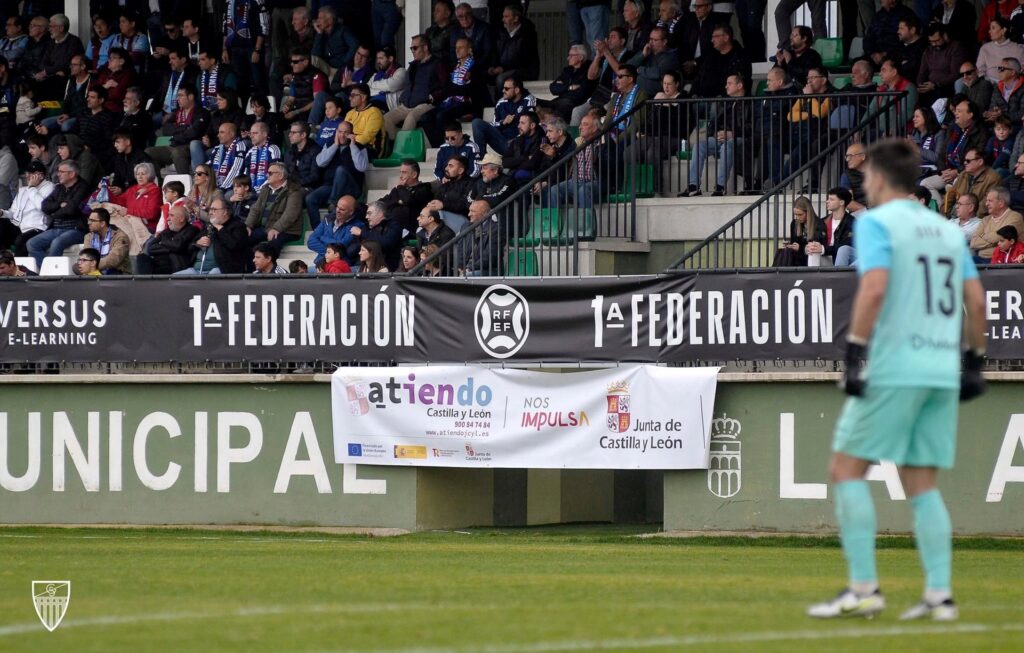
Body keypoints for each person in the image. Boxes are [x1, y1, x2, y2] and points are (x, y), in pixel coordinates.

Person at [806, 138, 987, 622]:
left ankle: (864, 588)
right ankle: (939, 596)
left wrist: (855, 352)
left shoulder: (878, 223)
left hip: (896, 364)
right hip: (941, 369)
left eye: (866, 176)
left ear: (880, 178)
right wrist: (974, 360)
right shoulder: (947, 230)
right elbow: (976, 297)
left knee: (846, 471)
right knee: (922, 483)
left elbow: (876, 286)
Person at [683, 73, 752, 197]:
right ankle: (693, 186)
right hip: (720, 138)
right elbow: (713, 124)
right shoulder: (724, 102)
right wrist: (715, 134)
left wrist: (732, 134)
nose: (726, 86)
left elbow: (752, 127)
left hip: (740, 138)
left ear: (740, 85)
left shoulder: (750, 102)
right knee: (700, 145)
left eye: (729, 83)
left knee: (728, 145)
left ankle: (720, 187)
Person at [382, 34, 447, 141]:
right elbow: (408, 85)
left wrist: (433, 96)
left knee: (410, 118)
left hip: (426, 104)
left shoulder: (437, 63)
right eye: (411, 48)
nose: (412, 51)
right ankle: (395, 145)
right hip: (407, 104)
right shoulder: (413, 66)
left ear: (425, 47)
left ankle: (401, 149)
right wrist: (403, 97)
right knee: (386, 119)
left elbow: (445, 86)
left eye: (415, 48)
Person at [27, 159, 90, 267]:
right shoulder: (59, 187)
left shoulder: (83, 187)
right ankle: (45, 271)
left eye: (61, 171)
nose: (58, 174)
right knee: (32, 244)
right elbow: (45, 206)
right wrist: (60, 204)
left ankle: (51, 275)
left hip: (76, 229)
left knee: (57, 243)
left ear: (72, 174)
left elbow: (71, 209)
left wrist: (54, 213)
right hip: (56, 228)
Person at [308, 121, 369, 229]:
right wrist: (335, 145)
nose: (342, 135)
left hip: (351, 188)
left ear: (351, 134)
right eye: (340, 132)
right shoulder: (330, 143)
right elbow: (320, 162)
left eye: (346, 132)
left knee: (340, 170)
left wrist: (353, 146)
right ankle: (318, 229)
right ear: (336, 132)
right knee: (310, 198)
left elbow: (362, 167)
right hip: (330, 186)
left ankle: (332, 203)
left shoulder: (359, 147)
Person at [175, 198, 250, 275]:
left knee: (212, 277)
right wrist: (197, 243)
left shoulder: (238, 227)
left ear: (224, 212)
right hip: (196, 269)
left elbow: (234, 245)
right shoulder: (207, 227)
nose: (210, 213)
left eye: (214, 210)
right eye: (210, 210)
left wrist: (219, 227)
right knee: (173, 278)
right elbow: (190, 247)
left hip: (222, 269)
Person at [146, 87, 211, 174]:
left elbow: (194, 132)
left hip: (190, 147)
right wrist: (185, 127)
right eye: (177, 96)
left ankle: (184, 183)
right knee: (148, 152)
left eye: (181, 95)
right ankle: (160, 182)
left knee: (177, 152)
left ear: (191, 97)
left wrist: (177, 132)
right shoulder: (177, 112)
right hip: (174, 145)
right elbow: (166, 129)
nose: (177, 99)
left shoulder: (202, 112)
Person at [471, 75, 537, 157]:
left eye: (506, 89)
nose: (503, 91)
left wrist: (516, 140)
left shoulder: (529, 101)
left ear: (516, 90)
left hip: (519, 145)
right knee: (477, 123)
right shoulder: (501, 102)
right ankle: (482, 159)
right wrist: (503, 122)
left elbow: (531, 127)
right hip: (502, 142)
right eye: (503, 88)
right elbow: (493, 125)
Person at [246, 162, 305, 252]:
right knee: (242, 239)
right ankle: (251, 265)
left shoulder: (294, 191)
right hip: (265, 228)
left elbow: (290, 214)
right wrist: (248, 225)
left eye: (270, 173)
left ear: (280, 175)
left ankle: (270, 266)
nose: (267, 175)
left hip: (287, 231)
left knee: (272, 245)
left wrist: (276, 228)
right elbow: (255, 209)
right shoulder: (265, 188)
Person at [0, 160, 52, 256]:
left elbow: (42, 206)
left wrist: (32, 188)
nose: (27, 176)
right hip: (19, 226)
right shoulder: (23, 190)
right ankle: (4, 258)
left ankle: (20, 269)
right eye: (27, 173)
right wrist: (3, 213)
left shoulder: (49, 187)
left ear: (41, 175)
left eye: (31, 173)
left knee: (21, 240)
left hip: (38, 228)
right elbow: (13, 212)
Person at [106, 162, 162, 252]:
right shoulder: (132, 189)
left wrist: (128, 211)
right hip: (129, 224)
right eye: (137, 174)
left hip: (147, 227)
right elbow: (117, 201)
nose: (140, 177)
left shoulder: (155, 191)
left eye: (143, 174)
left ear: (150, 175)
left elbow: (151, 213)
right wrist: (106, 190)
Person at [222, 0, 269, 103]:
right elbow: (225, 26)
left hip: (252, 47)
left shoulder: (257, 1)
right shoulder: (229, 2)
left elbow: (263, 27)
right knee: (241, 83)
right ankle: (245, 112)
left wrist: (257, 50)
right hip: (235, 48)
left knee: (258, 81)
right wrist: (225, 49)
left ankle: (264, 111)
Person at [135, 205, 202, 274]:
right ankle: (146, 283)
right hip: (158, 263)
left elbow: (178, 246)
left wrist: (162, 243)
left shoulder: (192, 230)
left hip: (174, 265)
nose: (167, 219)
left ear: (181, 219)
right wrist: (171, 246)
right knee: (141, 257)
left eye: (171, 216)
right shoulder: (167, 231)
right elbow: (151, 248)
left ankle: (148, 282)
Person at [542, 44, 595, 124]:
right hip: (560, 101)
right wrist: (569, 87)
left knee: (563, 104)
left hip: (576, 103)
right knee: (538, 103)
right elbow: (553, 88)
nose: (568, 58)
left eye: (571, 56)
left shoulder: (589, 69)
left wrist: (562, 88)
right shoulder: (568, 70)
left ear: (580, 57)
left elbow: (580, 93)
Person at [307, 195, 366, 267]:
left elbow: (340, 246)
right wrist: (331, 253)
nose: (338, 211)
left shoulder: (357, 226)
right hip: (320, 264)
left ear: (351, 212)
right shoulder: (327, 219)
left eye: (342, 209)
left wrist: (322, 238)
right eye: (337, 207)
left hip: (340, 266)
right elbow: (311, 242)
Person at [489, 3, 539, 85]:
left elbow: (524, 60)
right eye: (503, 16)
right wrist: (493, 66)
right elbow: (496, 54)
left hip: (524, 71)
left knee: (501, 79)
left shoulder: (527, 35)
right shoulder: (502, 33)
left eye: (506, 17)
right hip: (506, 69)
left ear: (516, 18)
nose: (503, 20)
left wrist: (503, 69)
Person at [379, 159, 433, 233]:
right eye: (400, 172)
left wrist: (400, 188)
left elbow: (408, 200)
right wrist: (398, 202)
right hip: (391, 226)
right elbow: (382, 202)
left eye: (404, 172)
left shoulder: (424, 190)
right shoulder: (398, 189)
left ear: (414, 174)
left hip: (410, 230)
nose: (400, 176)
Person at [969, 187, 1024, 259]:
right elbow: (973, 243)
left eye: (990, 201)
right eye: (986, 201)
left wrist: (984, 236)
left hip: (1003, 262)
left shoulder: (1015, 217)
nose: (986, 204)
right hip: (980, 259)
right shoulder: (985, 219)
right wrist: (994, 239)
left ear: (1001, 203)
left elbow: (1002, 236)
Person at [808, 187, 857, 266]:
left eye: (831, 199)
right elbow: (815, 239)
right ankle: (813, 278)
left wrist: (823, 249)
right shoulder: (823, 221)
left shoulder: (852, 222)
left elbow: (845, 245)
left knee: (843, 249)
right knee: (813, 251)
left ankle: (838, 277)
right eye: (828, 199)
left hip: (845, 260)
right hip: (827, 257)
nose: (827, 201)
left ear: (841, 202)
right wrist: (811, 247)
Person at [281, 49, 329, 125]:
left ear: (305, 62)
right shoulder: (294, 75)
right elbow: (291, 98)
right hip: (297, 111)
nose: (292, 64)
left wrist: (296, 112)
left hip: (310, 114)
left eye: (295, 62)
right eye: (291, 62)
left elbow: (317, 102)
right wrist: (287, 105)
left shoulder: (317, 76)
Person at [627, 26, 679, 97]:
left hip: (659, 97)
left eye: (655, 40)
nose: (651, 42)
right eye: (650, 39)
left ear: (664, 42)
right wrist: (642, 55)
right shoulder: (647, 51)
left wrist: (640, 70)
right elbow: (627, 67)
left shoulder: (671, 56)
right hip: (638, 96)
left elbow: (658, 73)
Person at [351, 200, 403, 270]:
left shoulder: (393, 226)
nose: (366, 217)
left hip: (385, 268)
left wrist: (362, 233)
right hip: (363, 266)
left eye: (369, 213)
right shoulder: (366, 227)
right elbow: (353, 250)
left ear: (380, 214)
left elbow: (387, 242)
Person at [949, 149, 1002, 217]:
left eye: (968, 161)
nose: (965, 163)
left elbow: (985, 206)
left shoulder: (993, 178)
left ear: (980, 162)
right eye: (964, 160)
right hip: (956, 216)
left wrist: (968, 219)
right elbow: (950, 196)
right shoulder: (963, 174)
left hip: (974, 220)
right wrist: (944, 215)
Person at [772, 196, 822, 267]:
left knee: (786, 255)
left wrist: (800, 248)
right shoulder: (794, 224)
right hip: (797, 256)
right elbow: (794, 242)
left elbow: (816, 245)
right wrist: (790, 246)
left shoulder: (818, 224)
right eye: (796, 215)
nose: (798, 217)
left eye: (800, 215)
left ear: (808, 212)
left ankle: (778, 275)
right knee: (782, 252)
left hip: (810, 256)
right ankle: (777, 274)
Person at [81, 207, 131, 275]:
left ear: (102, 223)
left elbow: (113, 260)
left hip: (117, 274)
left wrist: (90, 266)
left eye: (92, 221)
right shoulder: (88, 236)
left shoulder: (120, 236)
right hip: (95, 271)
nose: (89, 223)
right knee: (76, 268)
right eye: (89, 220)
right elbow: (85, 256)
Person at [977, 17, 1024, 83]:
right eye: (990, 28)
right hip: (989, 85)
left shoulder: (1018, 49)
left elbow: (1021, 71)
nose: (989, 31)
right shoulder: (985, 48)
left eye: (993, 28)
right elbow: (980, 71)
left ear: (1003, 30)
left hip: (1011, 85)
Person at [345, 82, 386, 157]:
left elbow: (365, 138)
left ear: (363, 97)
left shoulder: (374, 112)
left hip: (370, 148)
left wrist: (347, 139)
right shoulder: (350, 113)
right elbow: (343, 131)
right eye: (350, 95)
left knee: (345, 152)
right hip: (351, 144)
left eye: (353, 95)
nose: (349, 98)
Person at [503, 111, 545, 181]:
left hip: (534, 175)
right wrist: (525, 158)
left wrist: (514, 164)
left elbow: (533, 164)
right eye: (519, 123)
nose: (518, 126)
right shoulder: (517, 140)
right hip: (516, 172)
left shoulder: (542, 140)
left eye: (522, 123)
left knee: (518, 174)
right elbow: (505, 162)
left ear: (532, 125)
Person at [207, 122, 248, 191]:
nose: (218, 135)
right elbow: (208, 166)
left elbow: (236, 170)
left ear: (231, 134)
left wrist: (222, 188)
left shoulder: (240, 146)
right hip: (216, 187)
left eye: (222, 132)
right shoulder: (218, 148)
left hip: (232, 188)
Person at [242, 121, 282, 192]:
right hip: (251, 190)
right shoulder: (250, 152)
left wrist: (260, 189)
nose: (251, 136)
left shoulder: (273, 149)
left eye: (255, 133)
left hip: (269, 189)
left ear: (264, 134)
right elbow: (246, 174)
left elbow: (275, 174)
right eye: (251, 133)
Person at [368, 45, 408, 112]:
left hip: (389, 108)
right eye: (377, 58)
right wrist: (382, 90)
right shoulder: (376, 74)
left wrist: (373, 86)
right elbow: (366, 88)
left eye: (381, 58)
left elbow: (390, 86)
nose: (378, 61)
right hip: (372, 102)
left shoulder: (401, 72)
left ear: (390, 59)